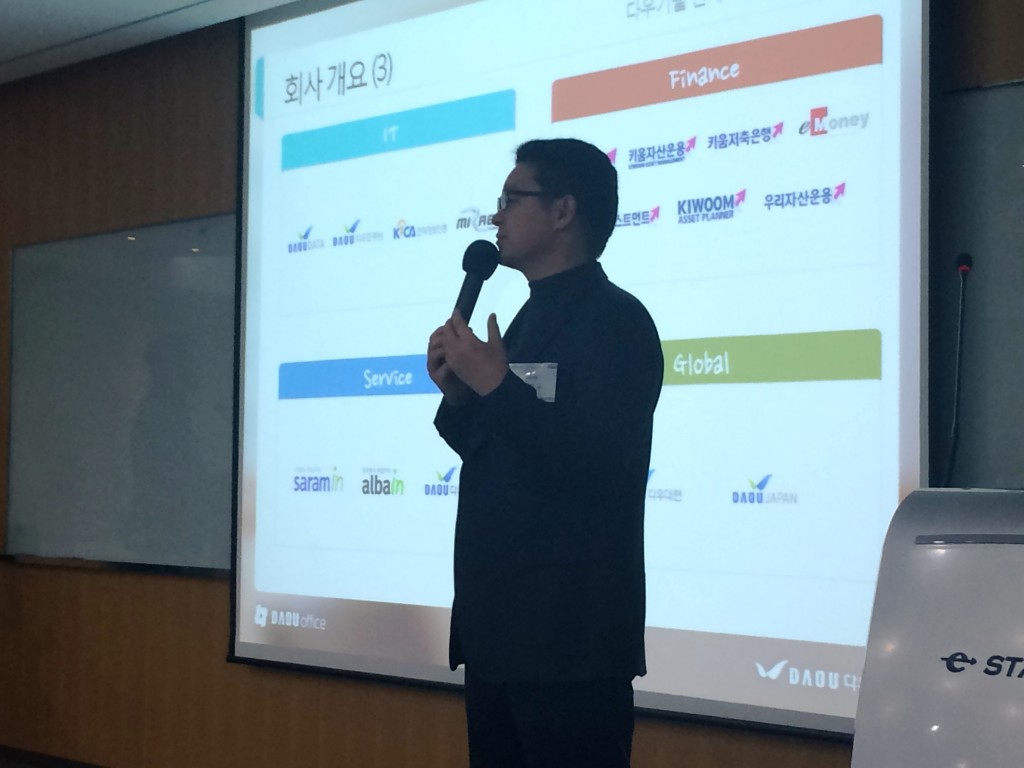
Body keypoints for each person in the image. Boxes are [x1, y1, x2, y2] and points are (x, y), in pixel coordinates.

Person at [427, 138, 663, 767]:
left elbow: (596, 466)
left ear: (563, 211)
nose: (496, 216)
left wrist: (496, 386)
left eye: (512, 199)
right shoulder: (528, 318)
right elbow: (504, 454)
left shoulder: (617, 322)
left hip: (571, 646)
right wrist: (461, 396)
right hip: (497, 637)